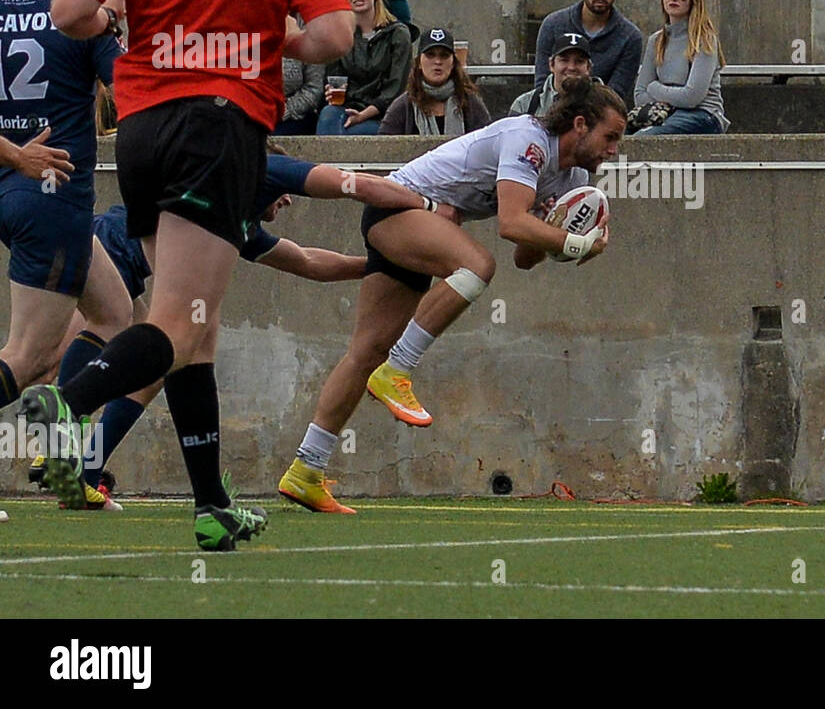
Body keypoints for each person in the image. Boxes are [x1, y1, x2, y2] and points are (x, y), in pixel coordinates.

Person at [32, 0, 355, 552]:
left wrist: (128, 13)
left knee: (195, 329)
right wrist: (270, 38)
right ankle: (69, 405)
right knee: (177, 321)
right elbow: (339, 32)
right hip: (220, 126)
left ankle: (212, 504)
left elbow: (69, 12)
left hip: (142, 130)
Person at [278, 78, 626, 513]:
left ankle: (305, 470)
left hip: (420, 226)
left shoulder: (571, 176)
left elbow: (524, 255)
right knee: (477, 266)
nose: (614, 149)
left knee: (365, 352)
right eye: (610, 136)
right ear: (580, 124)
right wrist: (574, 244)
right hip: (399, 209)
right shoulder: (529, 141)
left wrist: (569, 236)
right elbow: (511, 224)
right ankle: (397, 371)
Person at [37, 152, 431, 504]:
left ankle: (84, 467)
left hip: (120, 259)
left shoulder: (237, 223)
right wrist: (423, 202)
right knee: (65, 347)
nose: (289, 200)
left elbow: (306, 261)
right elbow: (352, 184)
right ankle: (59, 437)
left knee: (151, 362)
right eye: (284, 194)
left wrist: (378, 267)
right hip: (108, 246)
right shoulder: (262, 167)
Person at [0, 0, 133, 511]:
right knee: (28, 356)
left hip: (14, 188)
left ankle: (62, 461)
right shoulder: (74, 14)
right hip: (54, 195)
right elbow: (132, 94)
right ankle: (56, 439)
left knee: (113, 315)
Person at [533, 0, 642, 107]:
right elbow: (542, 85)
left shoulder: (630, 37)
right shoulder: (552, 25)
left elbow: (616, 95)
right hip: (552, 112)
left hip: (599, 117)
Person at [631, 0, 730, 135]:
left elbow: (692, 97)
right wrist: (674, 99)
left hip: (704, 115)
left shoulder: (704, 39)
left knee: (645, 137)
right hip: (662, 113)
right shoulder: (655, 40)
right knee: (617, 138)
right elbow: (639, 95)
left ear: (693, 1)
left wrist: (655, 88)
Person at [316, 0, 410, 135]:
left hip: (383, 113)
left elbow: (395, 90)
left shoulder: (398, 33)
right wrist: (331, 92)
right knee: (328, 115)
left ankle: (329, 162)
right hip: (347, 109)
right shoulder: (340, 34)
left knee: (349, 132)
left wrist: (363, 115)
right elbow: (334, 78)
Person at [380, 27, 490, 136]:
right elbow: (385, 147)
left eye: (444, 55)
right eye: (430, 55)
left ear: (453, 63)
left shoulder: (471, 103)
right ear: (418, 62)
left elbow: (487, 142)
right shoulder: (403, 106)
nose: (437, 61)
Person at [510, 32, 592, 118]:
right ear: (551, 65)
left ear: (588, 67)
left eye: (579, 61)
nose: (571, 67)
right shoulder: (524, 105)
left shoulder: (604, 105)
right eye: (564, 60)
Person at [276, 53, 325, 136]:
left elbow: (314, 89)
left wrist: (284, 110)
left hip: (294, 114)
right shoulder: (250, 43)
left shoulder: (309, 45)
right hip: (255, 113)